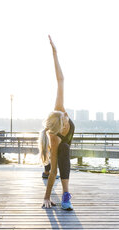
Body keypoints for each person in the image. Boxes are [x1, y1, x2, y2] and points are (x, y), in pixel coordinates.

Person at [38, 35, 75, 210]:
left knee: (64, 153)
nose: (67, 115)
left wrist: (55, 53)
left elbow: (60, 80)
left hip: (64, 140)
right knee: (55, 162)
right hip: (59, 143)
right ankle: (65, 195)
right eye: (65, 118)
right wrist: (46, 197)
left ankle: (65, 192)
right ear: (59, 126)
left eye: (65, 114)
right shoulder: (54, 137)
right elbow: (55, 172)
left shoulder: (58, 108)